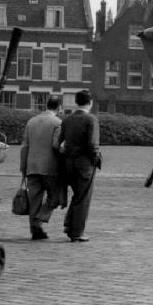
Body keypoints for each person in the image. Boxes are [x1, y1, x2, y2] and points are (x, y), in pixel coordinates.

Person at [58, 90, 102, 241]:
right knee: (83, 198)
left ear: (76, 102)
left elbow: (60, 142)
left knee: (77, 195)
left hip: (68, 163)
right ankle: (77, 232)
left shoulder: (67, 119)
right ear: (90, 102)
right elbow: (93, 144)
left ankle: (70, 225)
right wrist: (96, 158)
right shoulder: (91, 119)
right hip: (84, 164)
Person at [20, 96, 63, 240]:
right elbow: (56, 146)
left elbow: (25, 146)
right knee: (55, 197)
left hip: (32, 166)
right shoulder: (58, 122)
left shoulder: (31, 122)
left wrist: (23, 166)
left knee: (34, 200)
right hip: (50, 167)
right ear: (59, 107)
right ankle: (40, 219)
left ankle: (35, 231)